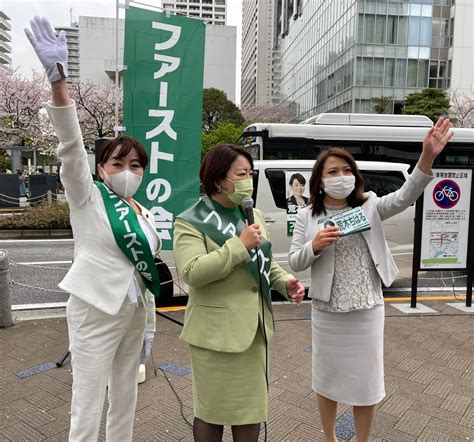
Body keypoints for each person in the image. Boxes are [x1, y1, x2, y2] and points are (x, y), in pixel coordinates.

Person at [25, 16, 159, 441]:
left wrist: (150, 321)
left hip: (134, 312)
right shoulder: (87, 196)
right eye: (117, 163)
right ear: (101, 169)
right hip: (94, 311)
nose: (127, 170)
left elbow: (145, 267)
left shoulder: (143, 212)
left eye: (135, 165)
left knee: (126, 397)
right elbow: (69, 148)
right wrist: (59, 83)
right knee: (87, 401)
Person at [288, 117, 453, 442]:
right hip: (327, 311)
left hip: (366, 309)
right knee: (327, 379)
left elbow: (405, 196)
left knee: (366, 382)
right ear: (318, 181)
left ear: (356, 175)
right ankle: (330, 438)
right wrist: (314, 246)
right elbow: (295, 260)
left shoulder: (369, 205)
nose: (341, 177)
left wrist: (427, 157)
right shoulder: (307, 216)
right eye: (332, 172)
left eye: (346, 170)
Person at [173, 144, 305, 442]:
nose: (249, 180)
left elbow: (264, 264)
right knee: (212, 412)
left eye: (251, 173)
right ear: (219, 179)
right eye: (242, 174)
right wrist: (238, 245)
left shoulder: (252, 213)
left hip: (254, 332)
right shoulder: (191, 219)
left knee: (250, 411)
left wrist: (285, 283)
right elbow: (193, 272)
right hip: (215, 337)